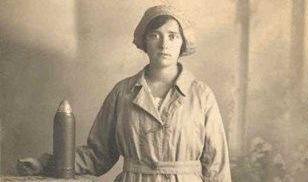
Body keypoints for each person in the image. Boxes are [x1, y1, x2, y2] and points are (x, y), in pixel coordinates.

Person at [17, 5, 232, 182]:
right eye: (155, 35)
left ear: (183, 42)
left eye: (173, 36)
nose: (164, 44)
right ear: (144, 42)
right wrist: (46, 163)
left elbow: (217, 166)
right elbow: (97, 155)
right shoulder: (123, 93)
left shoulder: (202, 96)